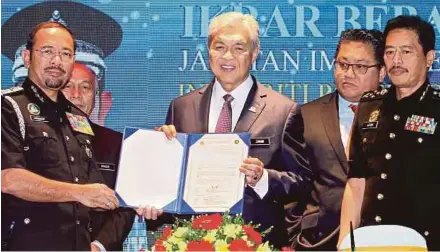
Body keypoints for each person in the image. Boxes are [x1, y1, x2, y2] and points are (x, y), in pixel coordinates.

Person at [146, 11, 311, 248]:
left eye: (239, 48)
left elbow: (303, 182)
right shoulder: (181, 107)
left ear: (255, 54)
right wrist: (160, 159)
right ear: (209, 52)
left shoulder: (283, 111)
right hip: (193, 242)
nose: (227, 56)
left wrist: (262, 177)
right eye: (219, 47)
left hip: (257, 243)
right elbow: (170, 180)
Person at [1, 21, 118, 250]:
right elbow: (8, 179)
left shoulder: (77, 118)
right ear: (27, 57)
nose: (56, 61)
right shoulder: (8, 106)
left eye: (65, 53)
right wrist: (80, 193)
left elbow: (94, 184)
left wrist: (145, 200)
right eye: (47, 51)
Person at [338, 15, 440, 250]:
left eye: (406, 52)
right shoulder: (369, 105)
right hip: (371, 242)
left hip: (425, 242)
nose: (396, 60)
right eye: (390, 52)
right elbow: (356, 181)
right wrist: (345, 242)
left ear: (429, 58)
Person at [284, 29, 385, 250]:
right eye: (342, 64)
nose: (348, 73)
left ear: (382, 71)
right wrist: (296, 236)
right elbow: (293, 185)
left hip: (385, 238)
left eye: (360, 67)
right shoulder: (305, 115)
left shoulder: (399, 115)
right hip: (320, 240)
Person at [62, 63, 137, 251]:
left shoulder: (116, 142)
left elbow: (125, 206)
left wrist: (98, 246)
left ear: (96, 97)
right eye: (68, 86)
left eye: (85, 87)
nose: (76, 94)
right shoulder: (35, 139)